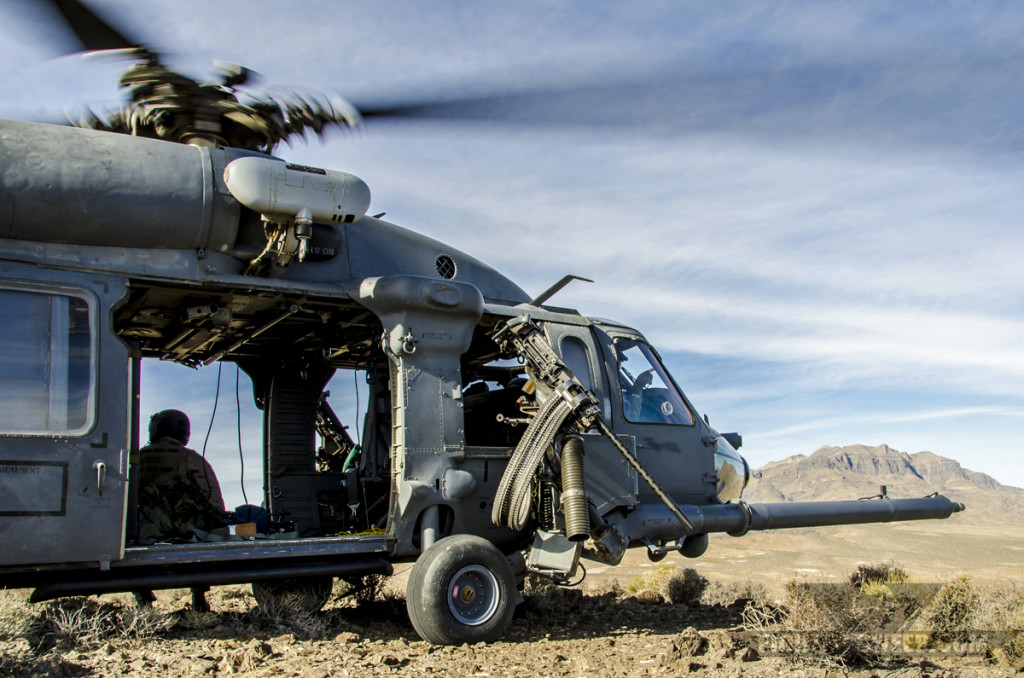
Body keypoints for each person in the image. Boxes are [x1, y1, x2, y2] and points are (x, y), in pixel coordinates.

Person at [135, 409, 225, 612]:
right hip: (183, 530)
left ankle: (143, 601)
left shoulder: (138, 458)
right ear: (183, 432)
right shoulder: (190, 458)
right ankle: (198, 597)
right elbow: (213, 501)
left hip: (142, 531)